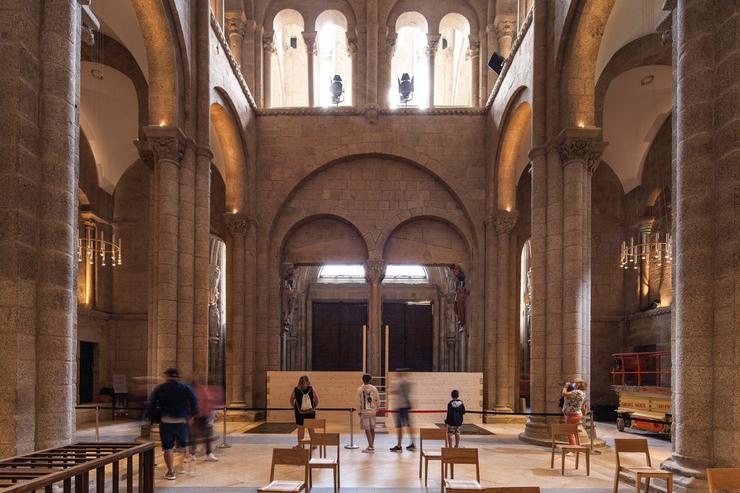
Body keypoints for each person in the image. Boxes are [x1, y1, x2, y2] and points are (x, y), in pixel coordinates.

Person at [147, 368, 198, 481]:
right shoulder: (185, 388)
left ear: (167, 376)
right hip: (181, 421)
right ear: (177, 376)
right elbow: (194, 401)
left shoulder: (160, 388)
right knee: (184, 444)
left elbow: (152, 404)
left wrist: (150, 418)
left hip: (166, 422)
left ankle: (171, 472)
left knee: (168, 448)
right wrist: (192, 415)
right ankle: (189, 467)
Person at [191, 378, 223, 461]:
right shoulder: (197, 391)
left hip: (204, 416)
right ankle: (192, 454)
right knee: (194, 435)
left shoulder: (204, 391)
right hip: (197, 416)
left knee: (207, 435)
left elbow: (208, 403)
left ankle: (208, 453)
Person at [289, 375, 319, 447]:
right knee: (311, 428)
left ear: (299, 382)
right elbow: (317, 401)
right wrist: (313, 408)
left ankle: (300, 445)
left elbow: (291, 400)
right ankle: (314, 444)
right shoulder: (312, 389)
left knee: (300, 429)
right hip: (310, 412)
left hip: (300, 412)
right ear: (308, 381)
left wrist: (295, 407)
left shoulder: (296, 389)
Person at [390, 370, 416, 452]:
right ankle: (412, 443)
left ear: (398, 373)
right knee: (409, 425)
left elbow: (392, 391)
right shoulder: (409, 382)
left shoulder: (396, 382)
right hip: (406, 406)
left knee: (399, 427)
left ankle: (399, 445)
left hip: (399, 406)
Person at [357, 374, 380, 453]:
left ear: (362, 380)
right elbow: (378, 400)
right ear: (370, 380)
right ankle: (371, 445)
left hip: (365, 412)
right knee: (372, 428)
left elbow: (358, 402)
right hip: (373, 411)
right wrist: (376, 409)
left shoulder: (360, 389)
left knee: (367, 429)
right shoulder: (374, 389)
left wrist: (359, 412)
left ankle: (370, 447)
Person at [561, 379, 587, 445]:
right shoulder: (582, 393)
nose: (573, 384)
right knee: (574, 431)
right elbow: (583, 405)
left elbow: (564, 394)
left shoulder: (576, 392)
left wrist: (565, 387)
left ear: (578, 385)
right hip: (577, 413)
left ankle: (573, 450)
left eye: (575, 383)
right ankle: (577, 447)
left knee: (569, 432)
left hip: (572, 414)